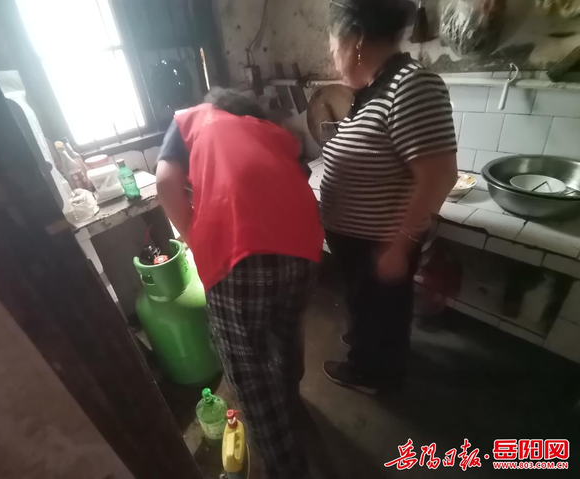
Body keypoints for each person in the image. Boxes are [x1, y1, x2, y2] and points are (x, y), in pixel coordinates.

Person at [155, 88, 324, 479]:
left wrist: (195, 236)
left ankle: (288, 468)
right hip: (305, 248)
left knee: (249, 372)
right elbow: (298, 179)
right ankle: (289, 405)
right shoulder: (269, 131)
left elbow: (165, 183)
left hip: (242, 258)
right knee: (284, 335)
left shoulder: (194, 117)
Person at [321, 0, 458, 394]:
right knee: (374, 308)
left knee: (383, 308)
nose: (333, 58)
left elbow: (440, 175)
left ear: (355, 39)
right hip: (361, 241)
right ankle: (373, 347)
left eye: (333, 46)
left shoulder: (411, 85)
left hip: (381, 241)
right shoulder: (373, 88)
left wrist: (400, 245)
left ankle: (372, 375)